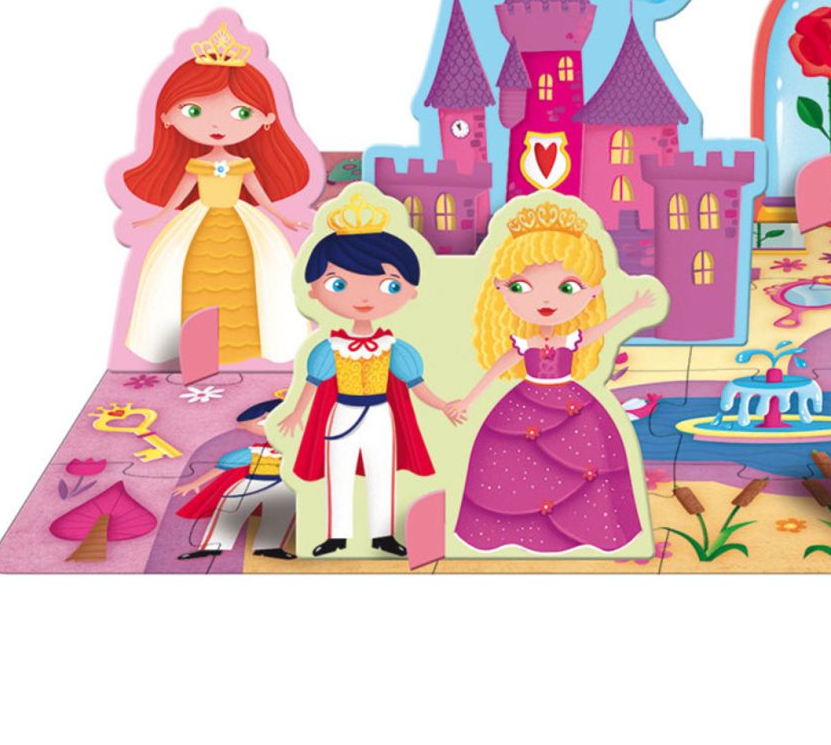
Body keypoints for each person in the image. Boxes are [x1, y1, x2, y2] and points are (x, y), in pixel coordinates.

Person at [452, 199, 658, 554]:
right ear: (500, 289)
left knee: (589, 463)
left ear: (592, 292)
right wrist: (467, 401)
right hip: (523, 404)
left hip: (572, 403)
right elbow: (495, 370)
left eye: (568, 288)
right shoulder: (524, 342)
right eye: (521, 287)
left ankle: (591, 533)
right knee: (512, 465)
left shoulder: (569, 339)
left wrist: (632, 308)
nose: (546, 300)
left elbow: (602, 329)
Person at [277, 197, 461, 557]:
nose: (363, 298)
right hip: (341, 414)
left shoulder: (395, 347)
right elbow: (313, 384)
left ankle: (383, 535)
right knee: (339, 471)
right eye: (338, 285)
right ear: (313, 290)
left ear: (411, 291)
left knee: (382, 472)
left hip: (380, 414)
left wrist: (442, 405)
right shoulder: (329, 348)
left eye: (389, 286)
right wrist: (297, 413)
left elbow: (417, 386)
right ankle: (337, 535)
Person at [123, 22, 311, 366]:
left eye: (242, 113)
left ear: (266, 118)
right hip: (198, 224)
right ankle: (193, 352)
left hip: (242, 224)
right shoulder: (197, 164)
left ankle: (248, 348)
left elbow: (261, 197)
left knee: (256, 277)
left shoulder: (242, 164)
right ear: (166, 116)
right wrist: (156, 218)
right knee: (184, 274)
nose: (216, 124)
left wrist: (283, 217)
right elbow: (178, 196)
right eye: (193, 111)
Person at [170, 395, 297, 559]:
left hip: (282, 485)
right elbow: (225, 466)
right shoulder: (256, 450)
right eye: (264, 420)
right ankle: (213, 546)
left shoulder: (297, 447)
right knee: (230, 510)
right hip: (252, 482)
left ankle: (269, 547)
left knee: (280, 512)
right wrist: (195, 483)